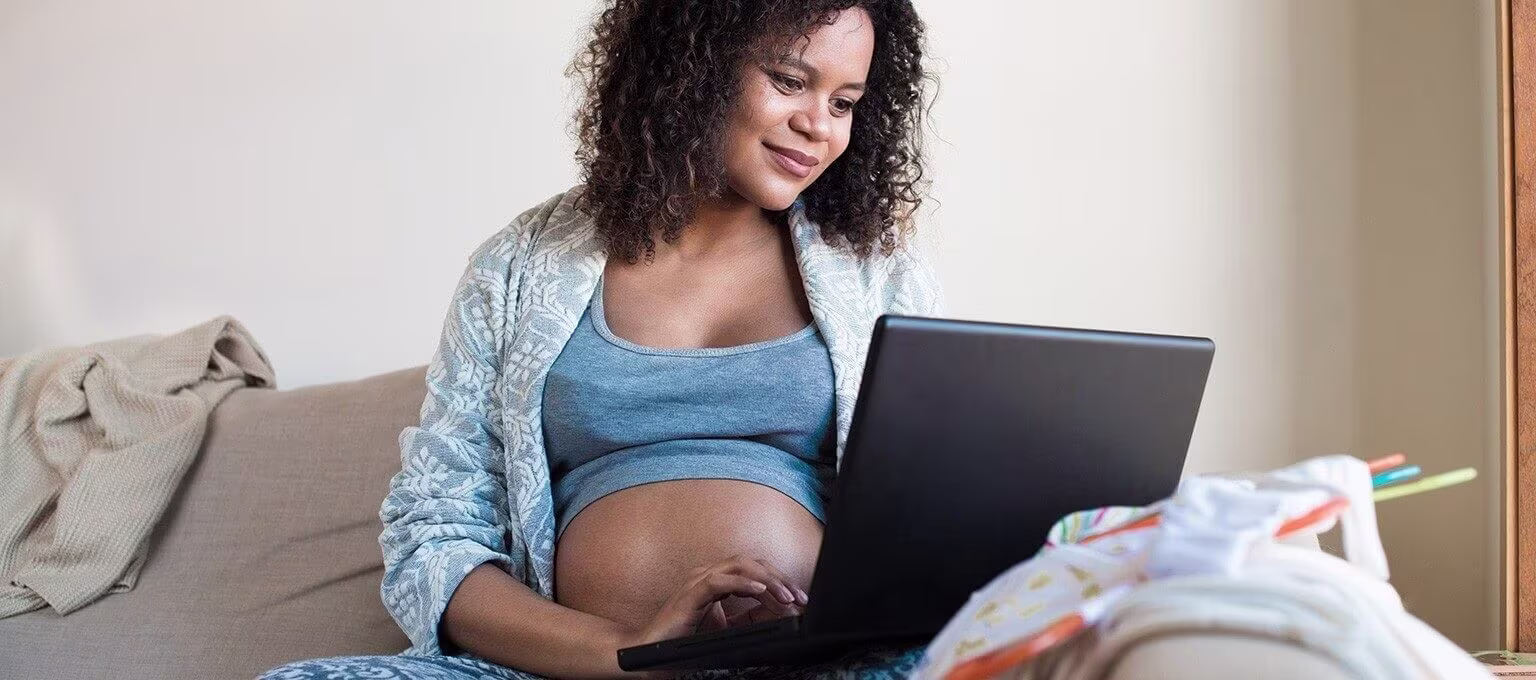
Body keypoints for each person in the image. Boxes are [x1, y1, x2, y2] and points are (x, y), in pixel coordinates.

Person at [260, 1, 940, 678]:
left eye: (845, 102)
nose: (818, 125)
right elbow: (433, 538)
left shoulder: (875, 272)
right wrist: (624, 653)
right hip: (569, 672)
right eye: (790, 81)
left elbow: (925, 521)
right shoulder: (519, 266)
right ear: (693, 67)